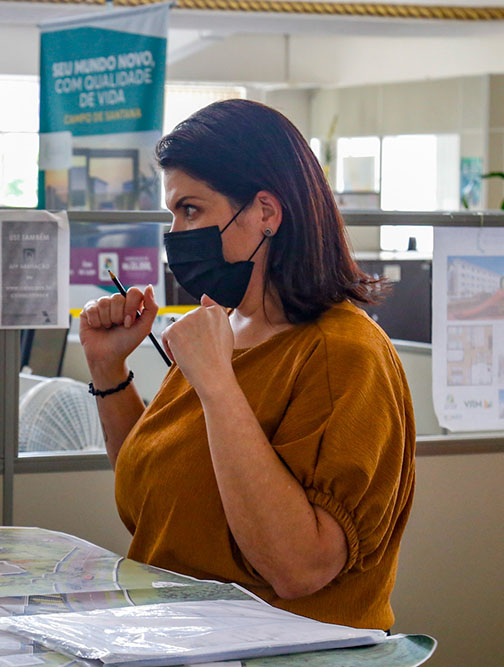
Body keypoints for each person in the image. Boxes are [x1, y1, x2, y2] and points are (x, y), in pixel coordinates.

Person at [79, 99, 414, 631]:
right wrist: (108, 370)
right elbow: (150, 499)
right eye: (172, 213)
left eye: (191, 209)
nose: (177, 233)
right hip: (181, 640)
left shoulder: (343, 355)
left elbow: (299, 567)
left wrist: (216, 386)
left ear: (266, 212)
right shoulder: (225, 327)